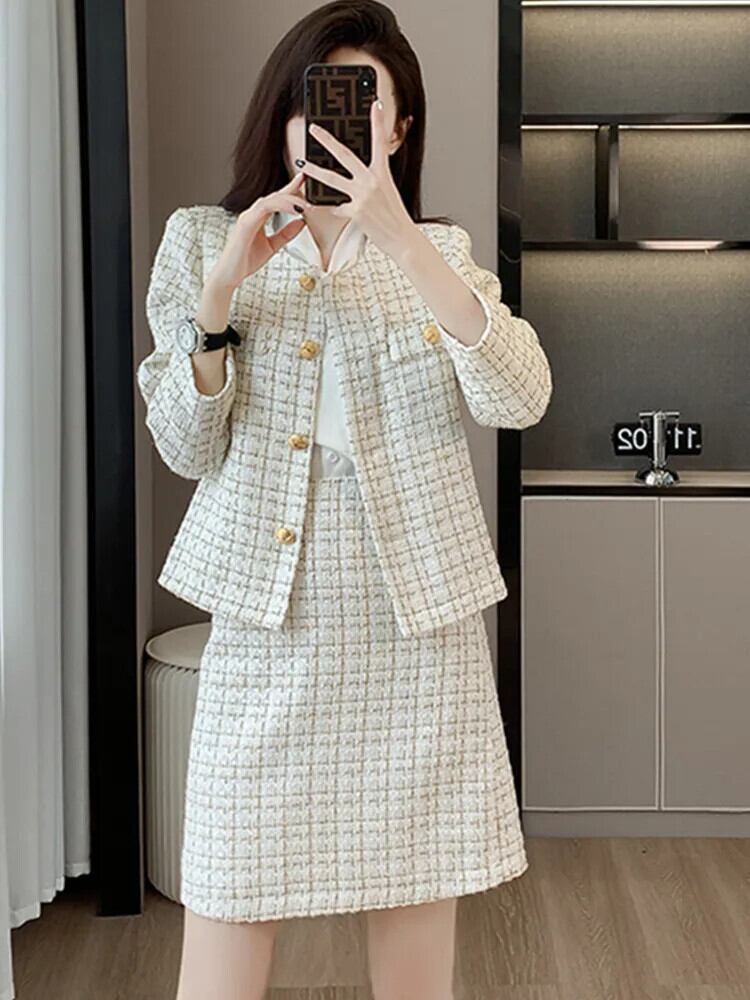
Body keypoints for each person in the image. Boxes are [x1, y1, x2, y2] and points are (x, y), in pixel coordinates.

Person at [137, 2, 552, 998]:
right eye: (314, 103)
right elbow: (185, 446)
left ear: (399, 132)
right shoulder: (203, 241)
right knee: (228, 911)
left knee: (415, 943)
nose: (330, 127)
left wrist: (406, 243)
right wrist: (220, 298)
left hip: (416, 631)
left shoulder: (440, 254)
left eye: (365, 108)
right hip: (267, 627)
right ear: (282, 116)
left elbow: (521, 397)